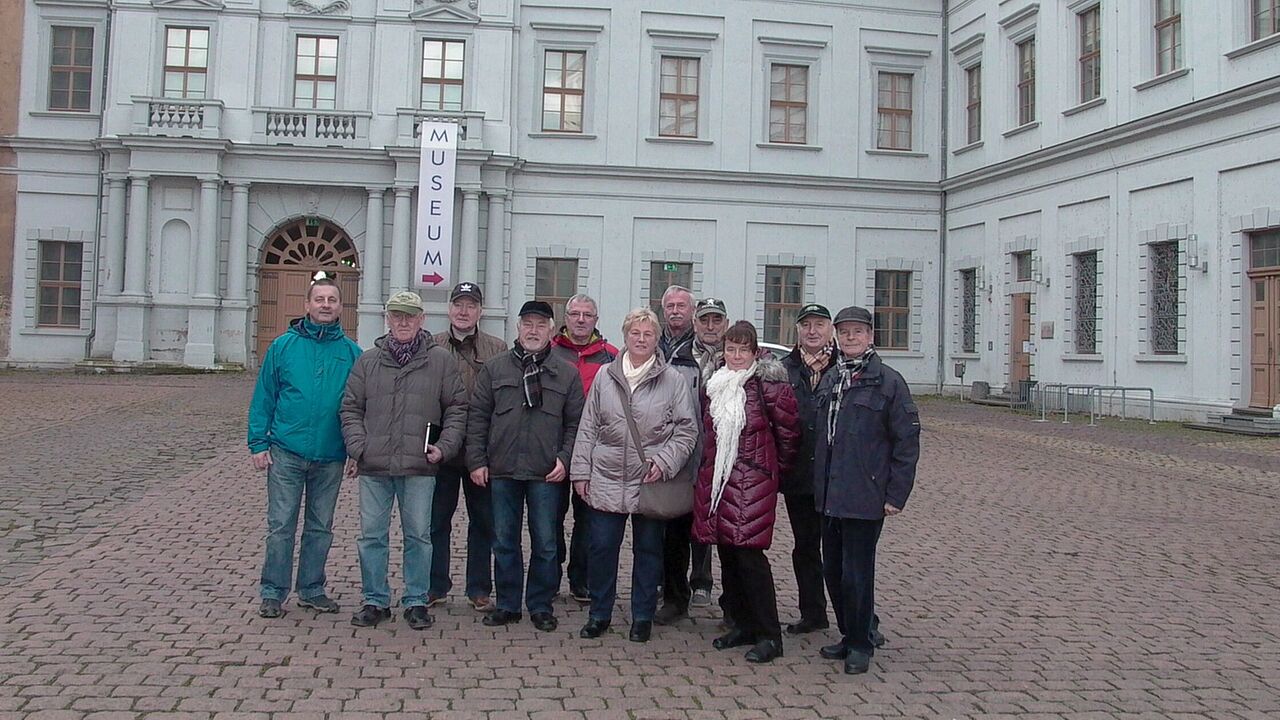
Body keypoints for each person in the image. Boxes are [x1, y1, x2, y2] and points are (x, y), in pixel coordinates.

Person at [340, 291, 468, 629]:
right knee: (372, 536)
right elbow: (350, 408)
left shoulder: (440, 361)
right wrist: (359, 447)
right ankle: (375, 599)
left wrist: (444, 447)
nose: (403, 322)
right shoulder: (368, 361)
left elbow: (457, 408)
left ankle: (415, 600)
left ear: (422, 319)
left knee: (418, 537)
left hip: (419, 466)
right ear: (388, 319)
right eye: (397, 315)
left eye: (410, 316)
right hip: (374, 465)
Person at [571, 308, 699, 643]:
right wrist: (581, 471)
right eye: (635, 333)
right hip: (607, 474)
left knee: (649, 551)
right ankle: (599, 613)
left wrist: (665, 462)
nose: (641, 339)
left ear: (657, 339)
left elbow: (686, 430)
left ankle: (642, 616)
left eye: (648, 334)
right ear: (625, 336)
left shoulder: (672, 380)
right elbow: (588, 427)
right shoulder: (605, 375)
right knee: (601, 549)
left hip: (649, 479)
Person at [813, 306, 920, 674]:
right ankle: (848, 633)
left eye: (857, 331)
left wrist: (895, 495)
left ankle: (861, 643)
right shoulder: (832, 378)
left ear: (871, 336)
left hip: (864, 494)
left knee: (857, 574)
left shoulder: (888, 382)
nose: (851, 337)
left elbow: (906, 442)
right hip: (830, 494)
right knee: (833, 571)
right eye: (844, 332)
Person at [247, 274, 362, 619]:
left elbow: (359, 407)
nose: (325, 305)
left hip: (331, 454)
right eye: (319, 299)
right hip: (286, 451)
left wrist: (356, 450)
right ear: (307, 305)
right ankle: (273, 591)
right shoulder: (283, 347)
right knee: (281, 526)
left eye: (332, 300)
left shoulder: (352, 353)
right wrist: (258, 442)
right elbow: (264, 396)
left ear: (340, 306)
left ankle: (312, 589)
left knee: (320, 527)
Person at [467, 300, 585, 632]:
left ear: (551, 330)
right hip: (502, 468)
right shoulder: (495, 368)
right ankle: (507, 604)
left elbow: (576, 423)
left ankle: (540, 605)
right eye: (528, 324)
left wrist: (565, 458)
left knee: (545, 543)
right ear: (518, 328)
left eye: (540, 325)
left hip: (546, 472)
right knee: (504, 540)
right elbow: (478, 418)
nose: (534, 331)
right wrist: (476, 461)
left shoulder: (567, 373)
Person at [693, 321, 800, 663]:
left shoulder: (769, 385)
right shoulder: (715, 384)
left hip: (754, 480)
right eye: (731, 349)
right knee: (728, 554)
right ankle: (742, 624)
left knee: (751, 558)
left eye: (743, 350)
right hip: (719, 480)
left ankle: (769, 634)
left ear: (755, 353)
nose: (736, 356)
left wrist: (769, 472)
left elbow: (788, 435)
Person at [428, 281, 506, 612]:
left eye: (471, 305)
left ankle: (479, 588)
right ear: (449, 309)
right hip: (441, 449)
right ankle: (435, 585)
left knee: (484, 522)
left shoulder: (496, 348)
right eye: (459, 304)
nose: (464, 311)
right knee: (436, 522)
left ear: (480, 311)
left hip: (480, 452)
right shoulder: (431, 345)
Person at [550, 293, 619, 603]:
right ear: (565, 318)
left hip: (594, 452)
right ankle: (549, 578)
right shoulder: (549, 352)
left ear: (596, 320)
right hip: (553, 449)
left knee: (588, 520)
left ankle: (582, 580)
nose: (580, 320)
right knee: (550, 519)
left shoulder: (611, 357)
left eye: (587, 315)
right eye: (575, 314)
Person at [778, 303, 837, 635]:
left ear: (830, 330)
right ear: (798, 330)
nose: (812, 331)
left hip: (838, 477)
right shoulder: (784, 370)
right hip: (799, 476)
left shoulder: (844, 367)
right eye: (806, 325)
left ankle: (857, 618)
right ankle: (812, 612)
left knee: (842, 551)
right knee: (805, 547)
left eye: (819, 325)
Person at [654, 285, 710, 626]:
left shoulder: (702, 351)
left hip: (696, 453)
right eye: (670, 305)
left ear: (692, 311)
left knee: (692, 526)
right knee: (664, 528)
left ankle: (695, 585)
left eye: (682, 306)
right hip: (659, 453)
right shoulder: (652, 346)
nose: (676, 311)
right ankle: (668, 590)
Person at [687, 297, 726, 610]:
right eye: (704, 320)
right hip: (686, 446)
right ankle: (679, 583)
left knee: (717, 519)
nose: (710, 326)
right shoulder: (683, 354)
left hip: (721, 451)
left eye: (716, 320)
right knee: (683, 517)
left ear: (725, 323)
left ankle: (706, 582)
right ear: (695, 323)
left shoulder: (735, 355)